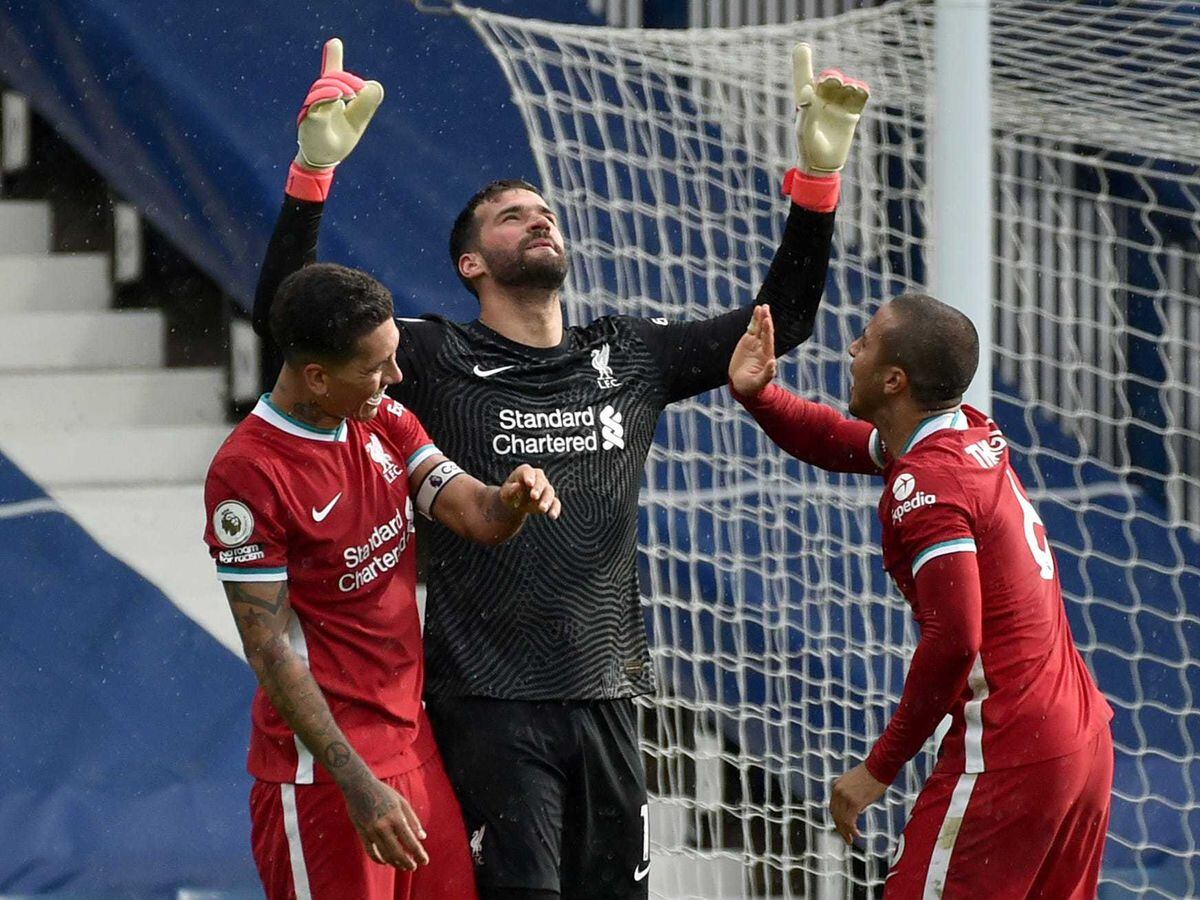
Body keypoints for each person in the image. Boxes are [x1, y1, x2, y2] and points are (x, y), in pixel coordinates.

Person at [253, 37, 868, 898]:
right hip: (487, 708)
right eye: (510, 217)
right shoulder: (435, 358)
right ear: (471, 264)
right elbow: (298, 324)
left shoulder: (630, 354)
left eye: (543, 212)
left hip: (611, 697)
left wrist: (817, 181)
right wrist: (312, 176)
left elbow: (784, 320)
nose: (537, 219)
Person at [728, 297, 1114, 897]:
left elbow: (956, 639)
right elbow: (840, 441)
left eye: (865, 341)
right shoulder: (967, 433)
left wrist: (877, 769)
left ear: (893, 379)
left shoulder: (929, 483)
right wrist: (761, 395)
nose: (851, 349)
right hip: (1080, 739)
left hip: (1012, 748)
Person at [204, 261, 561, 899]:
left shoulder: (380, 420)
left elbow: (476, 514)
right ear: (316, 377)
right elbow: (268, 647)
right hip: (326, 777)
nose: (394, 379)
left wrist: (513, 498)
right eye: (376, 368)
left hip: (413, 747)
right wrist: (358, 786)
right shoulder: (250, 471)